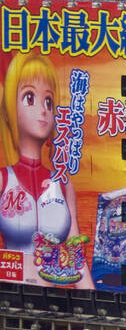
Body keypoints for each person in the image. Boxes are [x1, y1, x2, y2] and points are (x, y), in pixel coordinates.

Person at [0, 53, 92, 288]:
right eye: (29, 97)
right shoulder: (3, 180)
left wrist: (96, 305)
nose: (43, 110)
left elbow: (76, 255)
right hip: (7, 301)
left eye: (48, 101)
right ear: (10, 106)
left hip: (51, 305)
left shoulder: (62, 184)